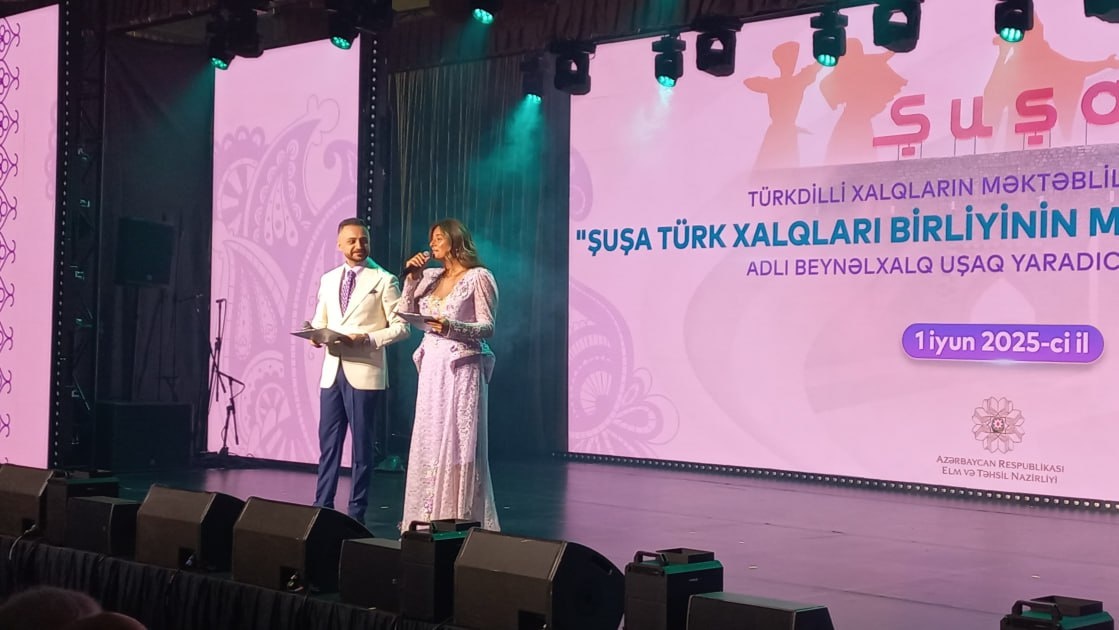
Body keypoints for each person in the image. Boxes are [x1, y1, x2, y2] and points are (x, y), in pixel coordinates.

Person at [399, 219, 500, 531]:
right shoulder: (430, 276)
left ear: (455, 240)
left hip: (461, 366)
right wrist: (412, 277)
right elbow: (405, 311)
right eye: (431, 238)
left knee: (458, 440)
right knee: (430, 438)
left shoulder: (478, 276)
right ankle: (425, 514)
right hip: (432, 365)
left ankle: (458, 515)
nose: (432, 244)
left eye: (439, 238)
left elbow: (488, 326)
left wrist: (452, 326)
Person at [309, 217, 409, 522]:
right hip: (333, 369)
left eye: (363, 240)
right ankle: (321, 507)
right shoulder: (328, 279)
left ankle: (356, 512)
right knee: (328, 444)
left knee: (362, 448)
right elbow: (321, 320)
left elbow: (402, 328)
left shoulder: (384, 280)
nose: (358, 245)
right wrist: (315, 334)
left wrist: (366, 337)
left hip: (364, 370)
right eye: (352, 240)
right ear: (339, 244)